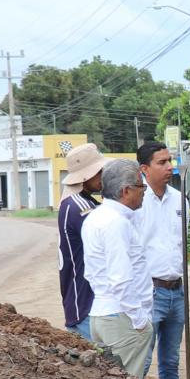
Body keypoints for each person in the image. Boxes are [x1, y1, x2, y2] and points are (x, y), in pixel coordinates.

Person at [84, 159, 154, 376]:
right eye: (141, 187)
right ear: (126, 190)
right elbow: (120, 278)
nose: (144, 192)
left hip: (104, 314)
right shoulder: (116, 222)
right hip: (121, 317)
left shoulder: (96, 217)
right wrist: (139, 320)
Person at [138, 139, 188, 379]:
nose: (170, 167)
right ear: (145, 169)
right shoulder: (135, 201)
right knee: (142, 359)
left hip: (177, 291)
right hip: (149, 292)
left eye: (170, 161)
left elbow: (182, 244)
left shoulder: (179, 201)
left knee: (171, 361)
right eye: (162, 162)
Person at [56, 143, 106, 340]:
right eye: (98, 171)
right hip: (85, 304)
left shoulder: (83, 203)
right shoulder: (79, 206)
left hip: (87, 303)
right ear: (86, 176)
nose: (103, 175)